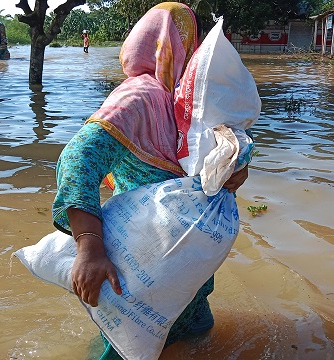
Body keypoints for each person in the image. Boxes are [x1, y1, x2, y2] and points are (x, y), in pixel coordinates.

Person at [51, 2, 249, 358]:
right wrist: (90, 247)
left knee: (200, 332)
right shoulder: (138, 97)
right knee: (131, 344)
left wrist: (234, 170)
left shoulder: (185, 101)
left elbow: (209, 161)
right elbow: (77, 159)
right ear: (176, 47)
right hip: (145, 260)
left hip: (183, 261)